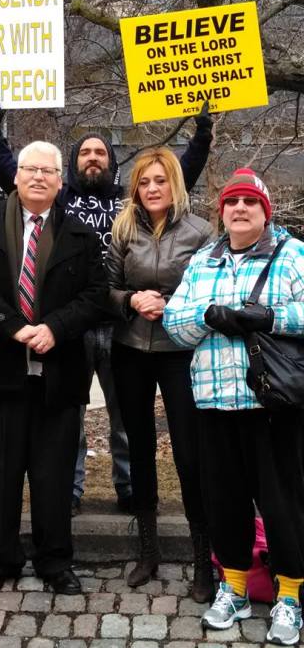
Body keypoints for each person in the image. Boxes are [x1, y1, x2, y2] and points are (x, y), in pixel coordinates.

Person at [0, 96, 214, 514]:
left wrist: (202, 134)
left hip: (123, 326)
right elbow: (9, 174)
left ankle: (129, 489)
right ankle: (69, 492)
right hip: (74, 323)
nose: (93, 158)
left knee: (124, 416)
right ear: (73, 165)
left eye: (101, 152)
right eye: (85, 152)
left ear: (112, 163)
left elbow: (182, 175)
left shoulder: (130, 202)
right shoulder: (62, 198)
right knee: (71, 413)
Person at [0, 140, 107, 596]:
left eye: (48, 170)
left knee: (53, 475)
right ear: (15, 176)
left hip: (58, 373)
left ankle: (55, 560)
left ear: (61, 180)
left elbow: (96, 295)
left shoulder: (80, 233)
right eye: (30, 169)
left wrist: (55, 328)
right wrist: (13, 327)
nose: (39, 177)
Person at [163, 169, 304, 645]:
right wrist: (208, 316)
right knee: (224, 504)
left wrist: (267, 316)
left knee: (283, 505)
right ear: (221, 212)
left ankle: (290, 596)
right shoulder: (204, 260)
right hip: (215, 403)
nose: (240, 209)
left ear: (266, 211)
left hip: (273, 405)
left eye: (250, 202)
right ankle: (236, 589)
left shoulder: (292, 255)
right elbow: (173, 323)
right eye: (232, 202)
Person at [105, 146, 214, 600]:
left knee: (189, 453)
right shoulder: (124, 226)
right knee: (139, 447)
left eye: (160, 180)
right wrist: (131, 300)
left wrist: (171, 306)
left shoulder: (202, 231)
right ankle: (148, 552)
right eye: (144, 182)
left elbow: (209, 287)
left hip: (180, 350)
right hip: (131, 347)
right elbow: (106, 286)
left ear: (175, 183)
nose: (152, 188)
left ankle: (202, 558)